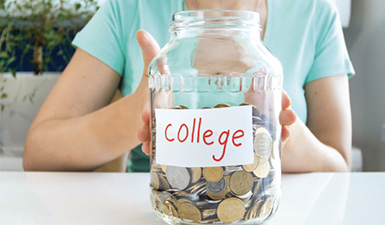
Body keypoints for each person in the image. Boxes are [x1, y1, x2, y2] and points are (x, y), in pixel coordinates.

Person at [23, 0, 354, 173]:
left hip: (268, 207)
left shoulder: (317, 14)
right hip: (162, 207)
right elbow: (39, 151)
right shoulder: (127, 8)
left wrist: (273, 135)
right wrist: (137, 113)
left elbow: (339, 165)